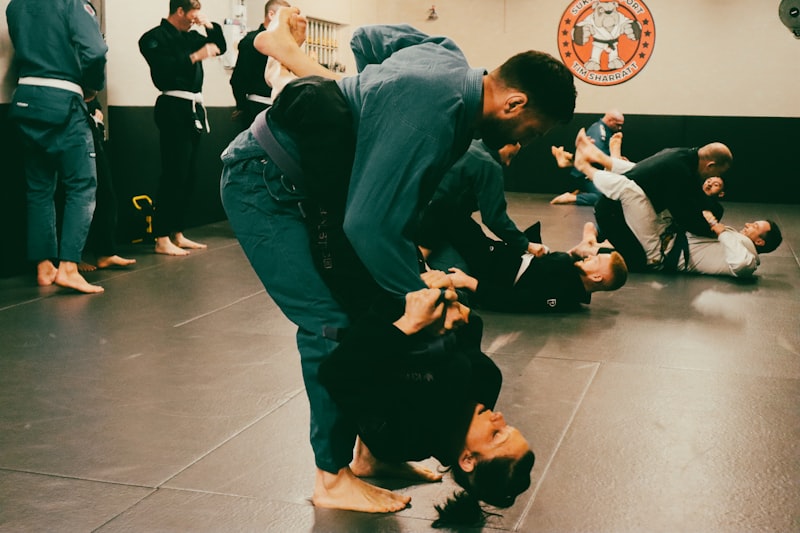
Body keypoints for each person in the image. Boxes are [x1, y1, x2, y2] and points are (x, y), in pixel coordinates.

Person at [220, 7, 576, 514]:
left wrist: (419, 293)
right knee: (329, 324)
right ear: (516, 102)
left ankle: (371, 456)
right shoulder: (434, 111)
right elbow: (367, 225)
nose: (524, 141)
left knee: (390, 319)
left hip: (309, 184)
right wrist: (419, 297)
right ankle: (330, 478)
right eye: (534, 130)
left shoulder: (446, 55)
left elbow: (368, 40)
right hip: (265, 185)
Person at [318, 285, 534, 526]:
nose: (499, 417)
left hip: (359, 296)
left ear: (468, 460)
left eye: (496, 435)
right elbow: (468, 334)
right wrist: (453, 303)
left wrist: (409, 324)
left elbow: (339, 373)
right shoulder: (486, 382)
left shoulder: (403, 437)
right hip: (420, 292)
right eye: (508, 426)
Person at [574, 131, 782, 275]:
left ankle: (587, 168)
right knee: (656, 176)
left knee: (632, 191)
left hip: (658, 254)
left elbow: (741, 266)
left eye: (754, 227)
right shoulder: (686, 171)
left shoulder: (748, 256)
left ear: (761, 242)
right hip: (664, 236)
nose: (747, 224)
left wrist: (721, 231)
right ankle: (602, 159)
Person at [6, 0, 107, 294]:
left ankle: (44, 266)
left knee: (38, 189)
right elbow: (96, 51)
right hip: (63, 102)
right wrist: (92, 86)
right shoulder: (72, 4)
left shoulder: (15, 6)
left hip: (25, 100)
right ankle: (69, 267)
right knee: (82, 186)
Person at [139, 0, 227, 256]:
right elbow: (164, 69)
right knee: (173, 173)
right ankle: (161, 236)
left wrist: (210, 26)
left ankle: (177, 232)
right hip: (172, 107)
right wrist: (194, 57)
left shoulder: (190, 37)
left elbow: (219, 46)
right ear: (180, 11)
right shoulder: (153, 38)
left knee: (188, 174)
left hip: (193, 108)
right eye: (193, 12)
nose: (195, 17)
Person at [425, 220, 627, 313]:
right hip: (504, 254)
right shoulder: (573, 271)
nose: (590, 258)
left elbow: (516, 301)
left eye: (595, 261)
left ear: (597, 278)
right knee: (452, 213)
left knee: (447, 211)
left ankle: (419, 261)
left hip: (493, 267)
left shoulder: (563, 295)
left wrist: (469, 282)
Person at [417, 140, 547, 259]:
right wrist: (526, 245)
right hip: (430, 225)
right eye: (510, 156)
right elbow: (495, 219)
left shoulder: (468, 144)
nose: (507, 164)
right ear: (505, 143)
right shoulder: (488, 164)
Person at [79, 100, 136, 272]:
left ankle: (105, 252)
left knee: (105, 191)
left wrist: (96, 109)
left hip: (87, 118)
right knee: (74, 192)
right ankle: (70, 258)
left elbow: (93, 88)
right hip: (71, 116)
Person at [229, 0, 289, 130]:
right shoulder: (252, 41)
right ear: (271, 15)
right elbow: (238, 79)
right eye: (286, 17)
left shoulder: (286, 43)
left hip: (280, 108)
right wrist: (242, 106)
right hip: (257, 107)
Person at [550, 109, 624, 205]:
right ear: (610, 120)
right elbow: (594, 155)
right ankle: (571, 197)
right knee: (604, 197)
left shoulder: (604, 129)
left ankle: (568, 159)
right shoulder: (599, 131)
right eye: (618, 124)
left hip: (591, 171)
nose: (620, 128)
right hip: (585, 174)